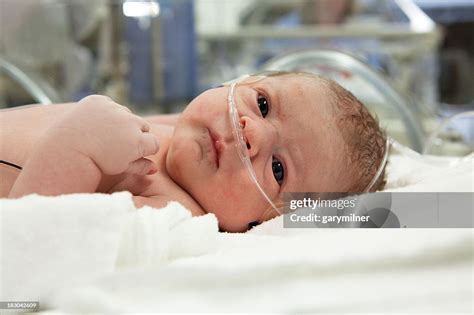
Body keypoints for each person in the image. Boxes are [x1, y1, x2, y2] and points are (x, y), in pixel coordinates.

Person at [0, 71, 387, 232]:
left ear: (260, 225)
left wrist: (76, 148)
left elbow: (28, 243)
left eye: (279, 169)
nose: (251, 133)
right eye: (263, 105)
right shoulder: (178, 132)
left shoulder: (173, 211)